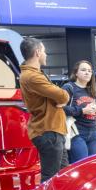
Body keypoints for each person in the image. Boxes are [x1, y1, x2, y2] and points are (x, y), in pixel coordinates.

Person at [19, 37, 70, 181]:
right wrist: (63, 98)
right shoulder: (33, 76)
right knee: (50, 179)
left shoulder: (33, 74)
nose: (46, 54)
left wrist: (60, 99)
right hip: (48, 131)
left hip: (52, 130)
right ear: (37, 52)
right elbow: (62, 95)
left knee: (62, 177)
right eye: (44, 51)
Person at [63, 60, 96, 163]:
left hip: (93, 132)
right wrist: (82, 110)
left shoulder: (92, 89)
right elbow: (61, 108)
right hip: (77, 133)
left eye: (89, 71)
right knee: (81, 165)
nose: (87, 73)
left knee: (92, 166)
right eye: (83, 70)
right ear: (76, 73)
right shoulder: (69, 87)